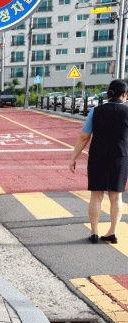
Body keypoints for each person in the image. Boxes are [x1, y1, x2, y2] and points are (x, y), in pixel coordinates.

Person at [70, 79, 128, 244]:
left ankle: (94, 232)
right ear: (124, 94)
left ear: (109, 94)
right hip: (120, 157)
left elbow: (84, 136)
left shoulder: (96, 111)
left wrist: (73, 158)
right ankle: (112, 232)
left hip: (97, 156)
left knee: (96, 195)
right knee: (116, 197)